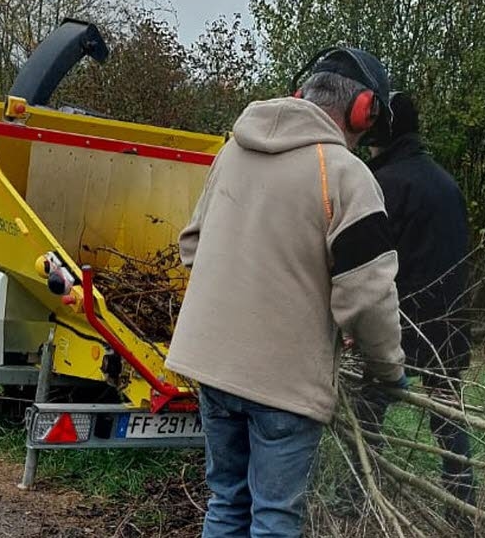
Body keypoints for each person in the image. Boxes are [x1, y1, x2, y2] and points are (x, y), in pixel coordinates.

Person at [166, 46, 408, 537]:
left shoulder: (232, 151)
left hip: (211, 367)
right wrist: (388, 371)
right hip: (283, 381)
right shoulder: (345, 174)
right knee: (274, 518)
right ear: (365, 110)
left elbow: (192, 246)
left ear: (301, 94)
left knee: (227, 503)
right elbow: (368, 296)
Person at [355, 90, 475, 506]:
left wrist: (359, 327)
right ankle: (462, 503)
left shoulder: (381, 184)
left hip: (399, 322)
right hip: (449, 322)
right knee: (449, 416)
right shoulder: (445, 181)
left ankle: (357, 494)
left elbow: (369, 264)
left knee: (368, 410)